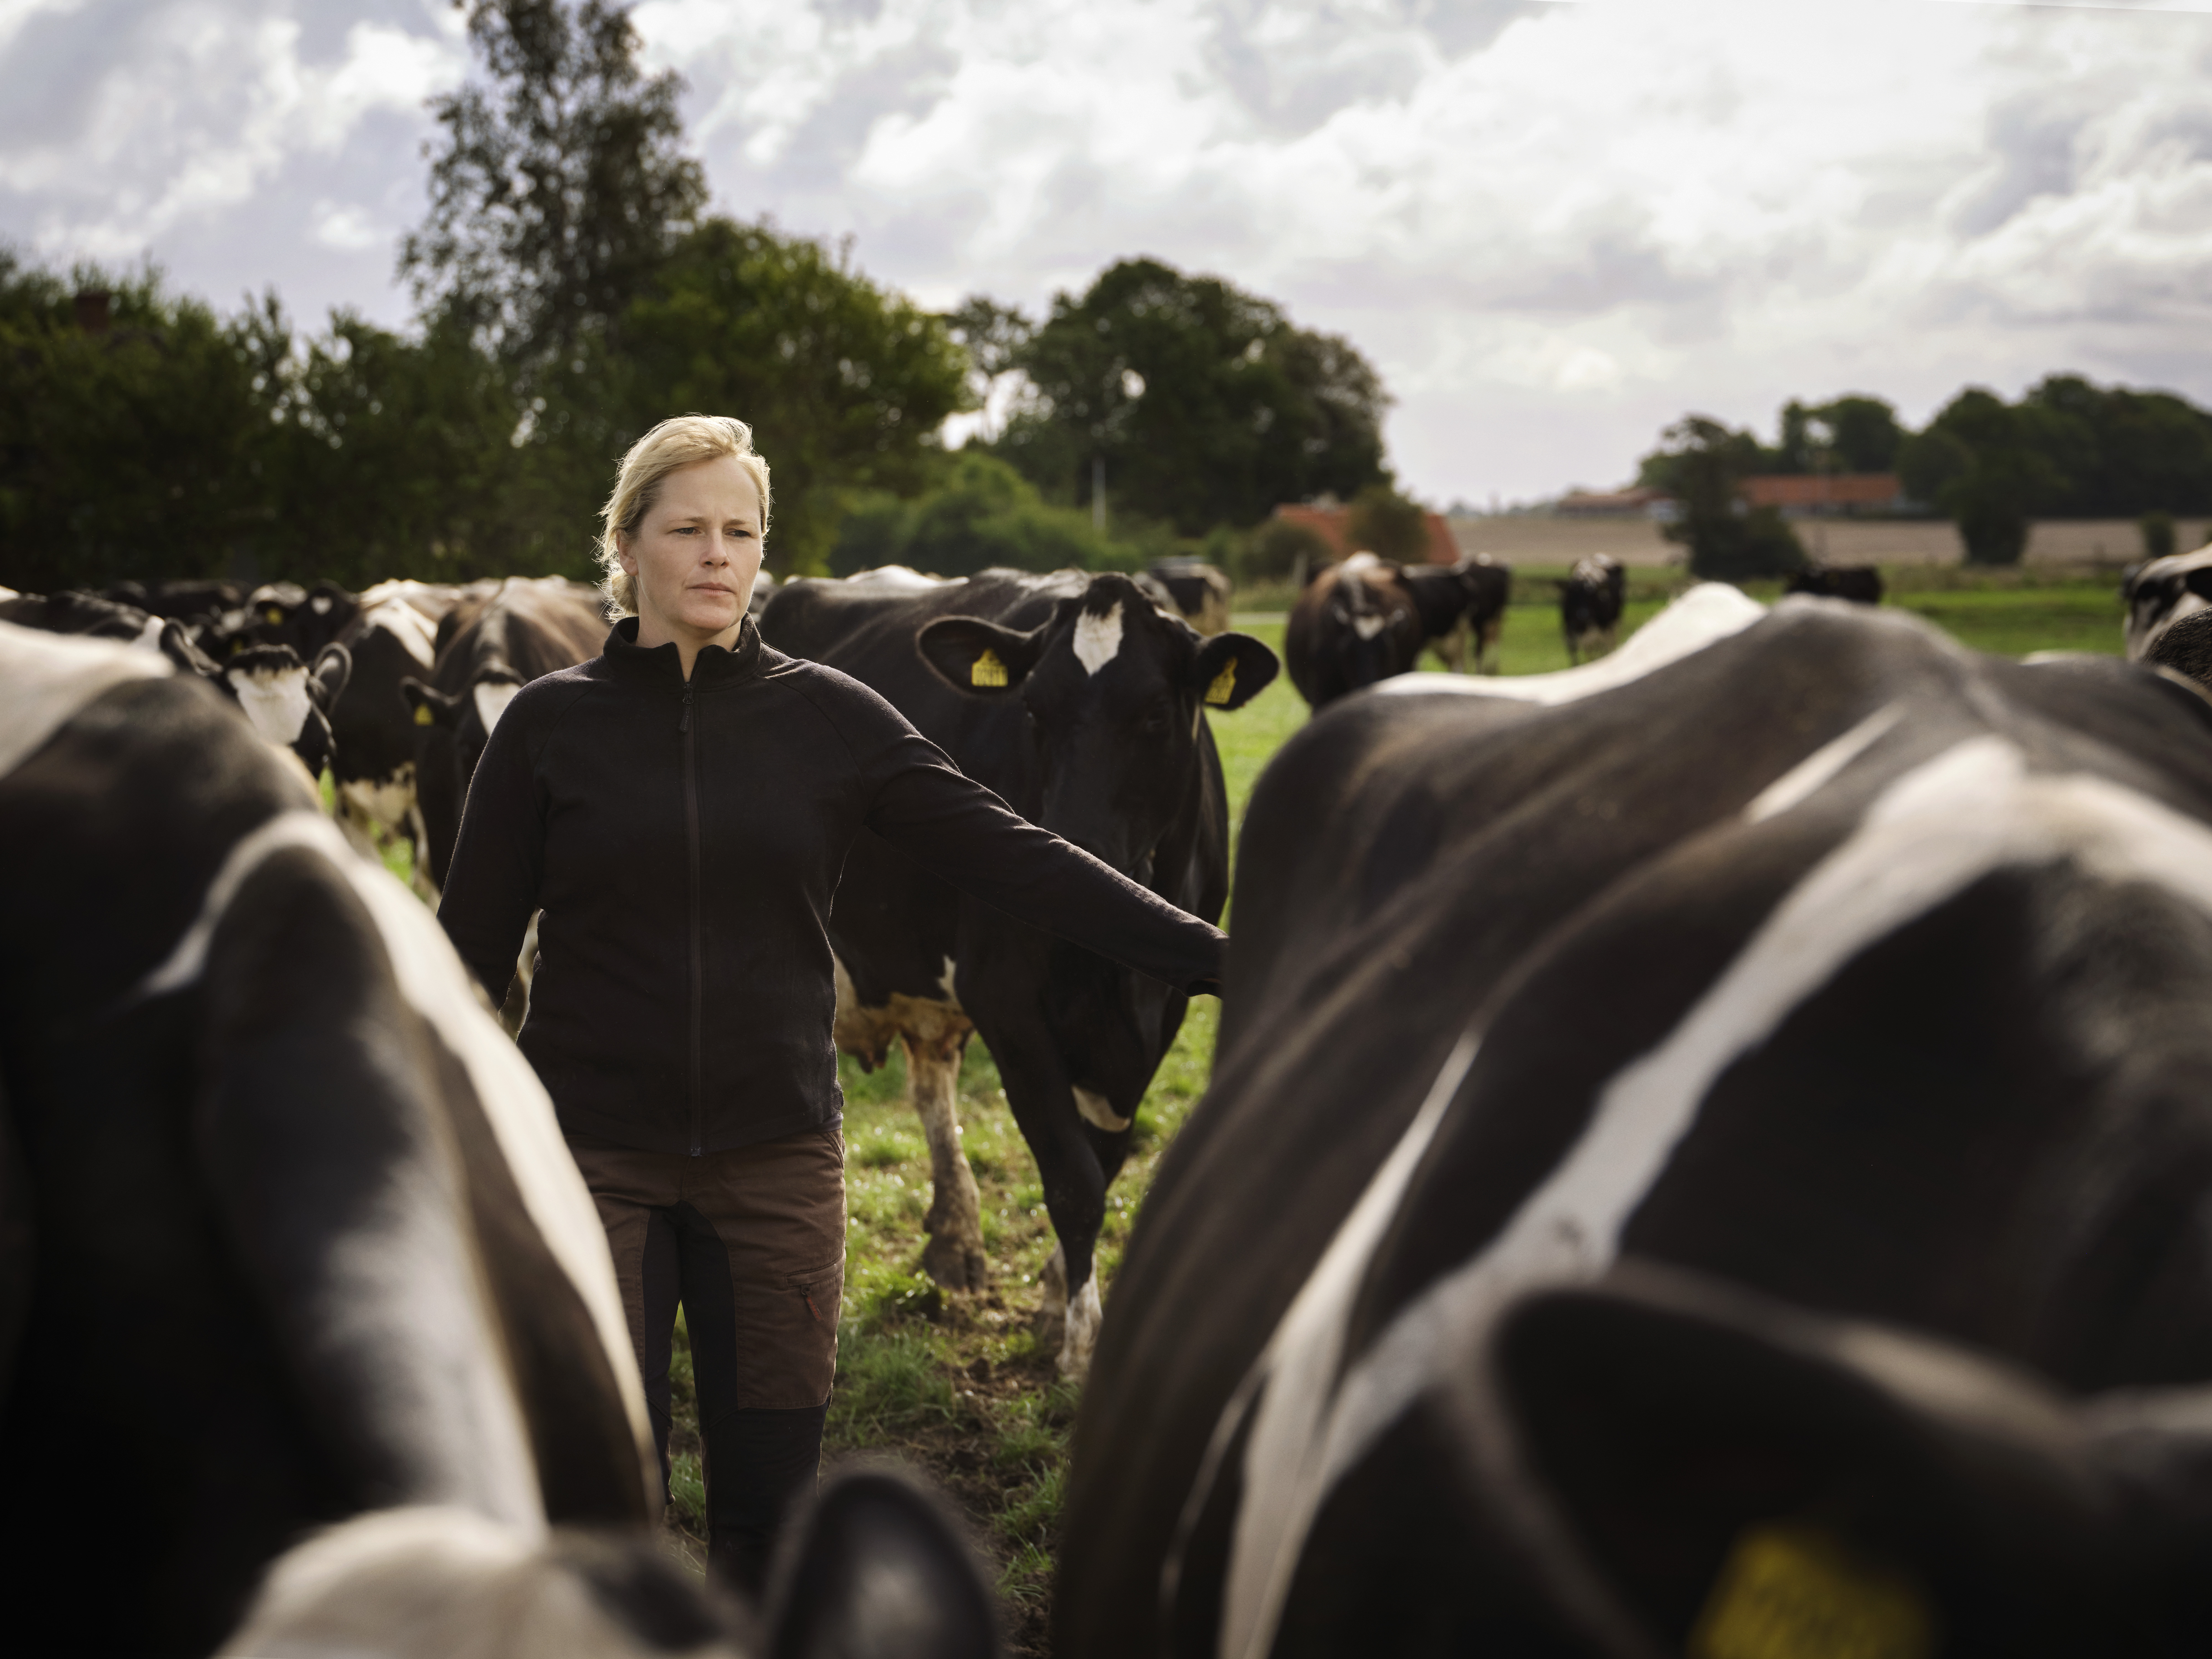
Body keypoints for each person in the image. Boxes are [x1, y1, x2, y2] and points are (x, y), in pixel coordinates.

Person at [437, 414, 1224, 1588]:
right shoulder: (547, 729)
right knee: (607, 1524)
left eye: (741, 531)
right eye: (687, 529)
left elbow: (1022, 860)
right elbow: (464, 964)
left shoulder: (832, 718)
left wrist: (1224, 957)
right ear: (626, 544)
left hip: (778, 1172)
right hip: (594, 1168)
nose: (717, 554)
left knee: (766, 1526)